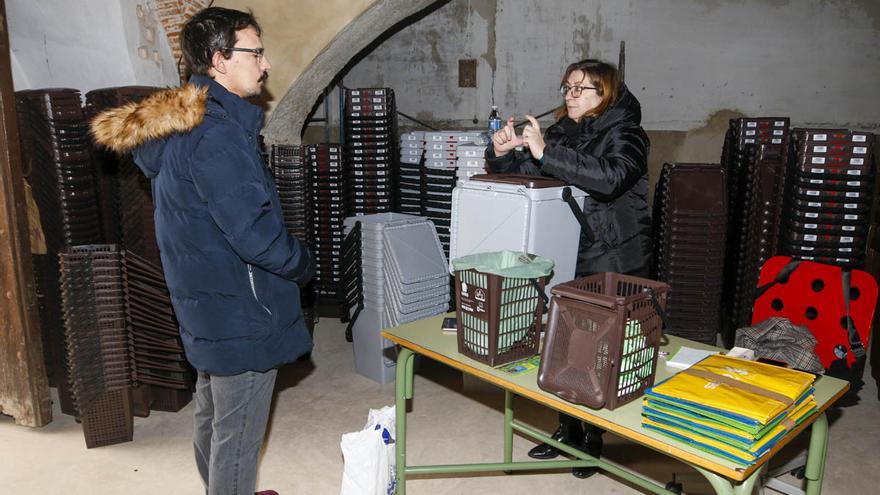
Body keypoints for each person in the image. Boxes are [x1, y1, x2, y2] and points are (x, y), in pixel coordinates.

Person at [91, 7, 314, 495]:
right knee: (237, 435)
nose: (266, 63)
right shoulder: (216, 137)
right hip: (242, 309)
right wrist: (302, 263)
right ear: (219, 60)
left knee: (214, 415)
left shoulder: (182, 128)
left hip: (206, 301)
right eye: (255, 52)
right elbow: (254, 235)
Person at [486, 59, 652, 478]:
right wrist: (502, 154)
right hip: (565, 248)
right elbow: (530, 173)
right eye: (567, 87)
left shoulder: (628, 135)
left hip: (612, 255)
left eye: (582, 88)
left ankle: (593, 437)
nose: (570, 95)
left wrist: (546, 151)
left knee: (598, 351)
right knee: (558, 343)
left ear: (607, 94)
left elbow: (611, 178)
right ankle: (566, 428)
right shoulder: (560, 133)